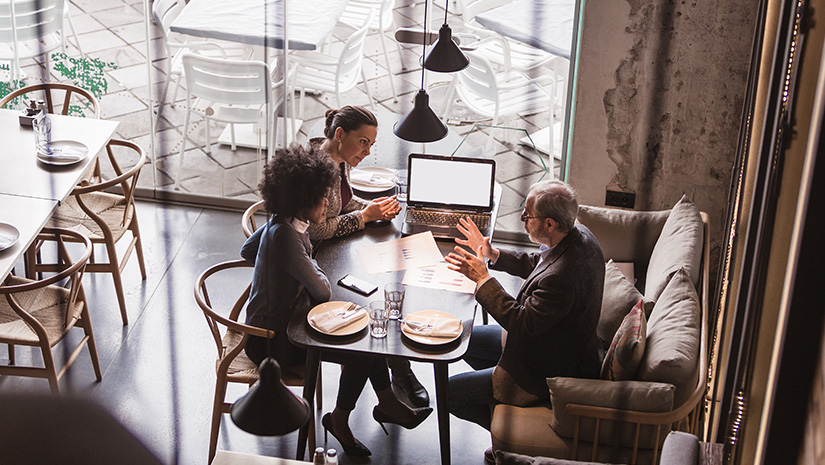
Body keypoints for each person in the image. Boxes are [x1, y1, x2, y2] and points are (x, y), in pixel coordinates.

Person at [241, 144, 431, 457]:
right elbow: (323, 290)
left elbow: (247, 250)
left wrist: (276, 272)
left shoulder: (282, 221)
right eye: (323, 198)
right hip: (271, 342)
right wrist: (302, 262)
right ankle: (343, 420)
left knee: (364, 336)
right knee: (361, 348)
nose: (329, 204)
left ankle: (384, 403)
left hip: (276, 321)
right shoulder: (288, 235)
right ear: (304, 200)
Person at [444, 180, 604, 444]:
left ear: (550, 224)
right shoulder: (579, 235)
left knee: (450, 393)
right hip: (547, 341)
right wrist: (493, 254)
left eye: (527, 215)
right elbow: (539, 264)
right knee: (461, 338)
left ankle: (508, 439)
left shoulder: (563, 278)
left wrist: (483, 279)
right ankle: (495, 389)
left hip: (545, 366)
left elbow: (521, 323)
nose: (521, 218)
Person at [307, 106, 431, 408]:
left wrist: (375, 208)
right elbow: (318, 231)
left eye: (372, 144)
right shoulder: (316, 172)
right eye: (363, 142)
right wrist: (365, 217)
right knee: (373, 306)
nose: (368, 151)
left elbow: (343, 203)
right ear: (340, 135)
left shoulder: (338, 160)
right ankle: (399, 371)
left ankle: (394, 381)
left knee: (382, 291)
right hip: (315, 263)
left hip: (332, 251)